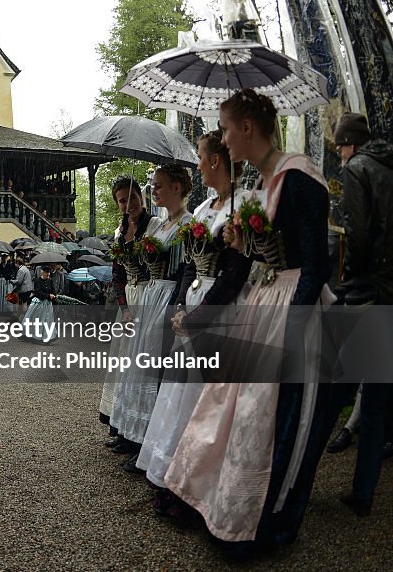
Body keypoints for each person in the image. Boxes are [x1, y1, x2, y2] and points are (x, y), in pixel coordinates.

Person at [164, 88, 334, 553]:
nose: (222, 138)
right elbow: (254, 260)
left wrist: (294, 331)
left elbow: (317, 263)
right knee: (235, 410)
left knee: (277, 419)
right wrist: (245, 247)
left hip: (293, 305)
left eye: (225, 127)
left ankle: (268, 521)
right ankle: (226, 506)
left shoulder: (298, 177)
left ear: (246, 127)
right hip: (263, 300)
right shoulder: (259, 184)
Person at [139, 130, 252, 517]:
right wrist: (178, 307)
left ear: (216, 161)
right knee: (179, 397)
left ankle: (196, 488)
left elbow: (236, 271)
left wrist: (200, 316)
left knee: (205, 406)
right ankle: (174, 476)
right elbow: (190, 263)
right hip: (191, 308)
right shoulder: (204, 209)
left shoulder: (243, 206)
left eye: (201, 157)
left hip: (219, 317)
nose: (199, 165)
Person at [111, 164, 194, 473]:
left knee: (154, 373)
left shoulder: (187, 223)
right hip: (149, 296)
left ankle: (149, 442)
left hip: (167, 296)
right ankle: (133, 436)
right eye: (153, 186)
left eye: (158, 186)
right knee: (138, 369)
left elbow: (188, 268)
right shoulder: (159, 227)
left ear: (176, 187)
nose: (153, 191)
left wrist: (177, 304)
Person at [329, 112, 393, 516]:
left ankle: (297, 476)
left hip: (371, 291)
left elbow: (358, 233)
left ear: (350, 143)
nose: (338, 154)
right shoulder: (388, 164)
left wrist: (350, 282)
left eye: (338, 147)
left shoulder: (358, 168)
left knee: (341, 385)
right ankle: (363, 491)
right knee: (379, 392)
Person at [100, 176, 153, 452]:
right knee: (122, 366)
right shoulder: (120, 232)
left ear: (140, 198)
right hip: (128, 302)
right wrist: (124, 307)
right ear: (117, 203)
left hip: (147, 295)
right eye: (123, 200)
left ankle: (138, 430)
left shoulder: (152, 227)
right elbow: (117, 274)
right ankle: (121, 427)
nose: (129, 204)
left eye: (133, 197)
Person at [23, 264, 57, 343]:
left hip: (48, 304)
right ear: (42, 272)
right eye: (46, 272)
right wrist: (48, 295)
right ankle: (34, 335)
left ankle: (46, 336)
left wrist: (54, 295)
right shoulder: (37, 280)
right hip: (39, 303)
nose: (48, 274)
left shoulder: (50, 280)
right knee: (37, 320)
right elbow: (38, 292)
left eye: (48, 273)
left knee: (47, 320)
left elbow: (53, 289)